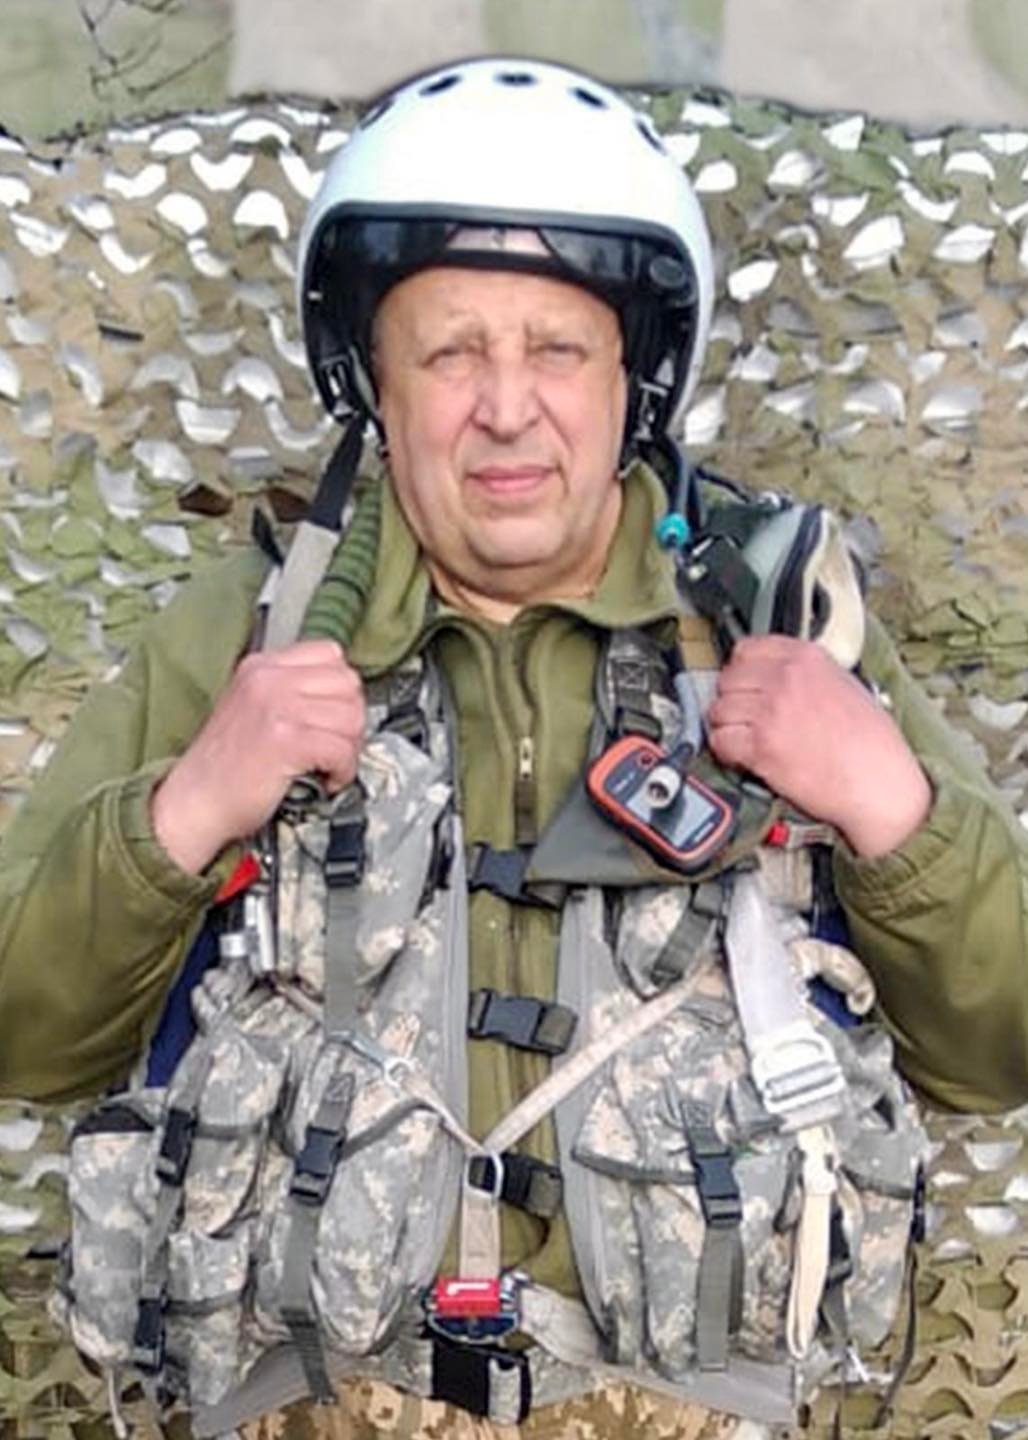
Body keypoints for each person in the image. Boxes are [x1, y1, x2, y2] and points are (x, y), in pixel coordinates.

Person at [0, 56, 1026, 1440]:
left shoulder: (784, 618)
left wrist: (891, 809)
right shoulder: (258, 625)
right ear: (373, 384)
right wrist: (187, 811)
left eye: (556, 351)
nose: (504, 408)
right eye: (450, 353)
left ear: (632, 378)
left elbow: (998, 1054)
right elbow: (26, 1037)